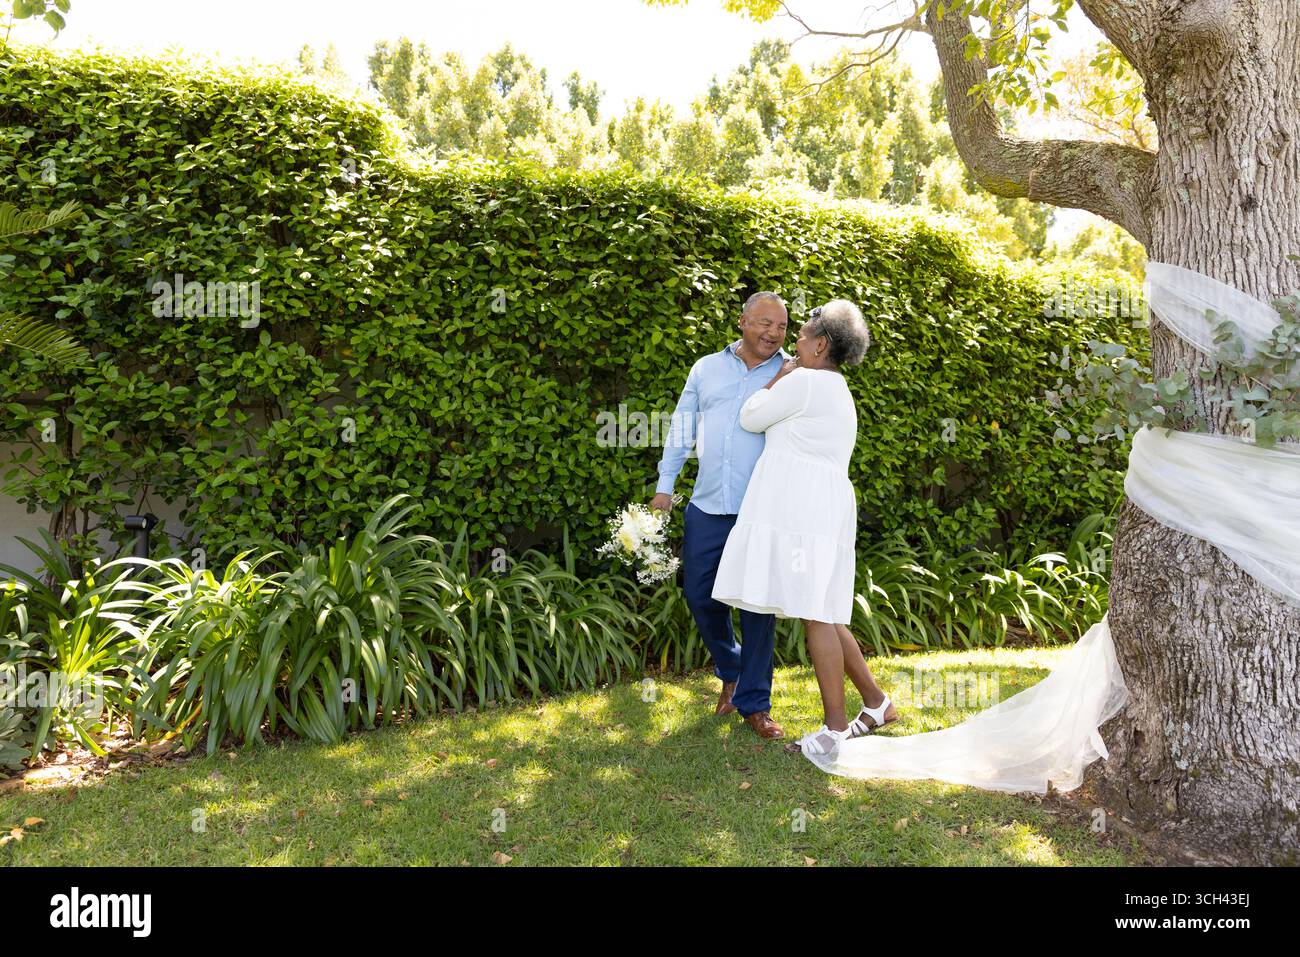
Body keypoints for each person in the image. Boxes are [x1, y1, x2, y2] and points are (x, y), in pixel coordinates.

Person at [711, 299, 897, 754]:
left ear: (820, 345)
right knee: (826, 611)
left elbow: (751, 416)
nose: (793, 341)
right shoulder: (836, 389)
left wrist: (779, 377)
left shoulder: (806, 382)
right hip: (823, 506)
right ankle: (876, 704)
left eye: (802, 333)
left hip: (805, 509)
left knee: (817, 614)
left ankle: (833, 731)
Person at [652, 291, 791, 739]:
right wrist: (664, 487)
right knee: (699, 595)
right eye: (765, 323)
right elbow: (682, 426)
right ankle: (730, 669)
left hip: (762, 508)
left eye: (782, 327)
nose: (773, 333)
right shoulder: (705, 369)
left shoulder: (794, 373)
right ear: (742, 322)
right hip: (707, 503)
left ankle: (755, 703)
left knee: (756, 606)